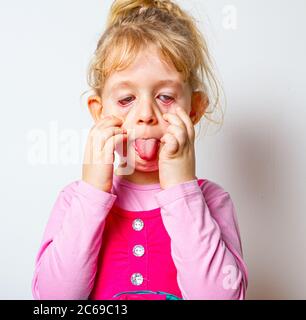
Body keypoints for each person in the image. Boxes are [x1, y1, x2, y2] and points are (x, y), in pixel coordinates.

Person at [31, 0, 249, 300]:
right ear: (98, 111)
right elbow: (54, 300)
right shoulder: (75, 201)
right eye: (126, 99)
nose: (146, 113)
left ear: (195, 109)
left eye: (165, 96)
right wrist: (93, 192)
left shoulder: (212, 201)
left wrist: (181, 189)